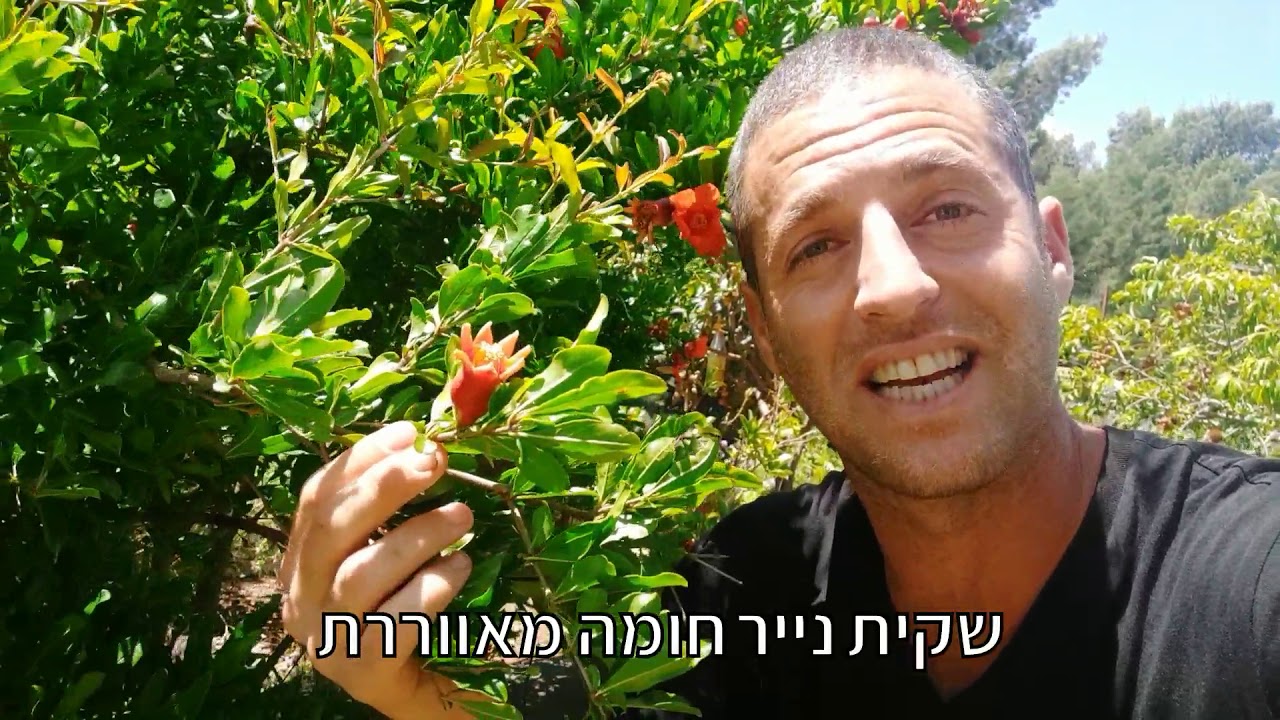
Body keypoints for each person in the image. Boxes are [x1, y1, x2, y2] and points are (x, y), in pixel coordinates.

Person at [276, 26, 1280, 720]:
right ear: (762, 328)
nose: (891, 286)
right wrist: (411, 691)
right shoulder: (737, 593)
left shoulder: (1243, 580)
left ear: (1052, 249)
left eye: (947, 209)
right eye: (815, 246)